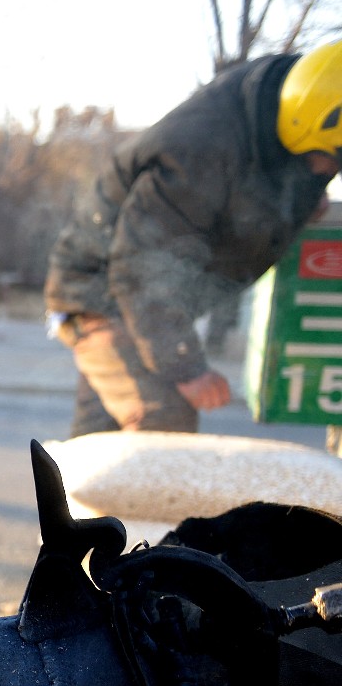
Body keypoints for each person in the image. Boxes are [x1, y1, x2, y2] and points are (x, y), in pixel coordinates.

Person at [45, 41, 342, 437]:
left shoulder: (288, 101)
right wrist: (185, 365)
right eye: (329, 160)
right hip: (103, 295)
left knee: (101, 440)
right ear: (307, 127)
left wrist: (303, 198)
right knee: (163, 423)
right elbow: (141, 266)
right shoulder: (200, 151)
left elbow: (274, 178)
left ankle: (63, 498)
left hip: (142, 303)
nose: (327, 171)